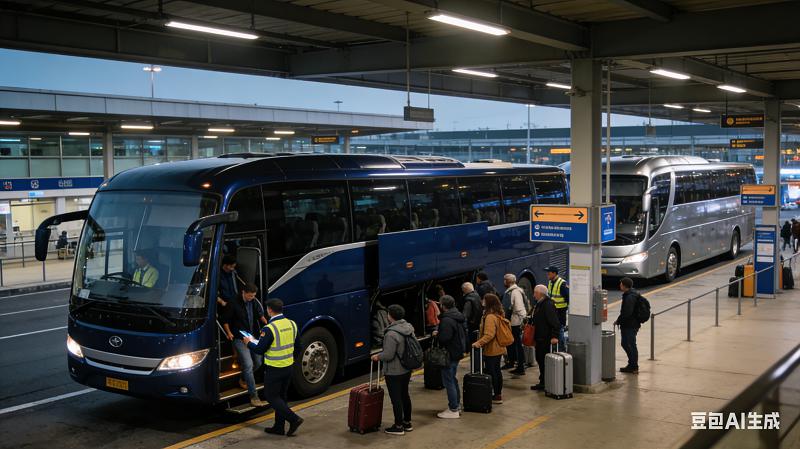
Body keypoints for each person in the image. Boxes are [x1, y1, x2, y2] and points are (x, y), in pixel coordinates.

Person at [245, 298, 304, 437]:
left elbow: (260, 349)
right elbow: (299, 346)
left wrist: (248, 343)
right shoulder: (292, 324)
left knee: (271, 397)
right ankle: (279, 427)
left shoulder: (269, 328)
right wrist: (290, 358)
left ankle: (294, 419)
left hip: (274, 369)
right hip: (288, 367)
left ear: (269, 310)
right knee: (281, 398)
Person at [223, 282, 269, 407]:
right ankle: (254, 397)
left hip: (252, 336)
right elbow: (225, 321)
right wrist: (229, 333)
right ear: (243, 292)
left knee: (259, 362)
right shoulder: (233, 303)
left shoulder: (253, 302)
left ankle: (243, 378)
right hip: (239, 338)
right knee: (248, 364)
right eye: (250, 296)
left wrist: (269, 325)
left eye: (253, 296)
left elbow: (260, 316)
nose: (252, 298)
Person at [372, 304, 414, 435]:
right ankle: (407, 423)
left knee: (396, 398)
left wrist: (377, 356)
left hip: (394, 371)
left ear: (390, 316)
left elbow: (389, 355)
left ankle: (398, 426)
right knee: (405, 395)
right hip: (406, 368)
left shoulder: (391, 334)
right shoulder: (408, 327)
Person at [434, 295, 466, 419]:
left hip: (449, 354)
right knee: (453, 379)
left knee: (448, 381)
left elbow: (445, 338)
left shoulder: (447, 320)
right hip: (457, 352)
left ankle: (453, 409)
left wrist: (437, 335)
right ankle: (457, 405)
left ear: (443, 306)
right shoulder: (457, 315)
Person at [472, 293, 507, 404]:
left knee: (493, 371)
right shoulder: (497, 314)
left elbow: (489, 334)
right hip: (498, 348)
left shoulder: (490, 317)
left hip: (492, 349)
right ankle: (498, 394)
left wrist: (478, 343)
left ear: (488, 303)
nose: (482, 301)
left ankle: (497, 395)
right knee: (496, 370)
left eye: (484, 300)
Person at [529, 284, 560, 391]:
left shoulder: (547, 305)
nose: (533, 295)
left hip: (545, 339)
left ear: (540, 294)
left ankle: (545, 382)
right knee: (540, 360)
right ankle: (543, 381)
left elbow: (555, 323)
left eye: (535, 293)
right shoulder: (540, 304)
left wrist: (555, 336)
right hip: (539, 338)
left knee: (543, 361)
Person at [501, 274, 527, 376]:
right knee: (510, 343)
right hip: (511, 322)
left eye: (504, 280)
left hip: (515, 323)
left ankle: (520, 367)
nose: (503, 282)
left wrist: (523, 321)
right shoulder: (511, 291)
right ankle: (511, 362)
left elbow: (519, 308)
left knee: (517, 345)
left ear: (507, 281)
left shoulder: (515, 292)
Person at [614, 277, 641, 374]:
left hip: (630, 325)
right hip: (630, 324)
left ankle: (634, 366)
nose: (620, 285)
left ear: (624, 286)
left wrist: (619, 320)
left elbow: (627, 312)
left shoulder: (630, 297)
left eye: (621, 284)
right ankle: (632, 364)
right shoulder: (630, 294)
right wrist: (619, 320)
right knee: (626, 344)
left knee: (630, 344)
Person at [545, 266, 570, 350]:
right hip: (552, 311)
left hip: (560, 312)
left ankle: (562, 349)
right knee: (554, 330)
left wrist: (565, 309)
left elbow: (568, 298)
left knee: (560, 331)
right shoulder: (550, 282)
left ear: (554, 273)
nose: (547, 274)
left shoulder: (562, 283)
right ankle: (556, 349)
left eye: (549, 272)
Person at [461, 282, 483, 347]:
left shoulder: (468, 300)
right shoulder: (477, 296)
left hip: (472, 326)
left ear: (465, 290)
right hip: (479, 323)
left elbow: (465, 315)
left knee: (473, 344)